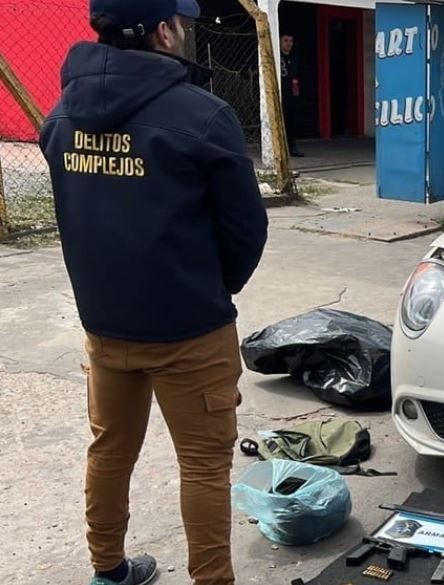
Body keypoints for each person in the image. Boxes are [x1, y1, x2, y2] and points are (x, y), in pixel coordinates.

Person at [38, 0, 269, 583]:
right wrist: (209, 289)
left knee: (110, 452)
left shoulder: (61, 115)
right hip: (191, 331)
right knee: (203, 466)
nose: (188, 34)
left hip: (105, 328)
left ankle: (108, 570)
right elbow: (245, 230)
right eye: (185, 25)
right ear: (164, 31)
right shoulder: (205, 116)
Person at [280, 33, 304, 157]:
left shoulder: (295, 58)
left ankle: (292, 147)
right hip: (280, 94)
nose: (288, 43)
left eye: (291, 41)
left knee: (292, 122)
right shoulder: (278, 57)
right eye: (286, 40)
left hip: (293, 94)